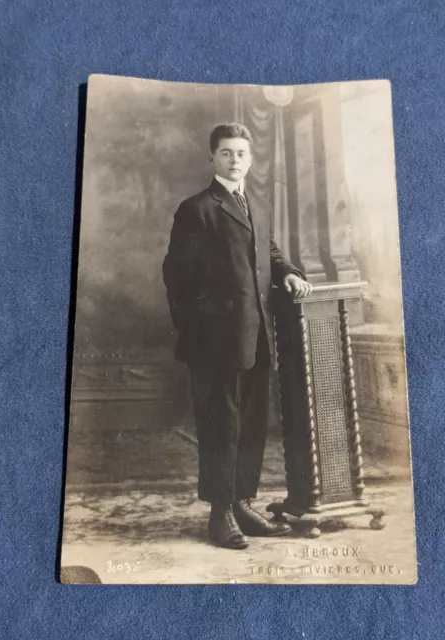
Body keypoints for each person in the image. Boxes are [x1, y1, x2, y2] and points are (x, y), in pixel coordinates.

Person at [163, 123, 312, 550]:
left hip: (257, 333)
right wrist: (206, 325)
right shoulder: (197, 208)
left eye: (241, 153)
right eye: (226, 153)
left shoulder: (256, 204)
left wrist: (289, 273)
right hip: (215, 341)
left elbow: (270, 252)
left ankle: (244, 503)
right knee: (220, 424)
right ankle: (220, 513)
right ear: (212, 158)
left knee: (252, 423)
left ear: (251, 158)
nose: (234, 160)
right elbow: (177, 276)